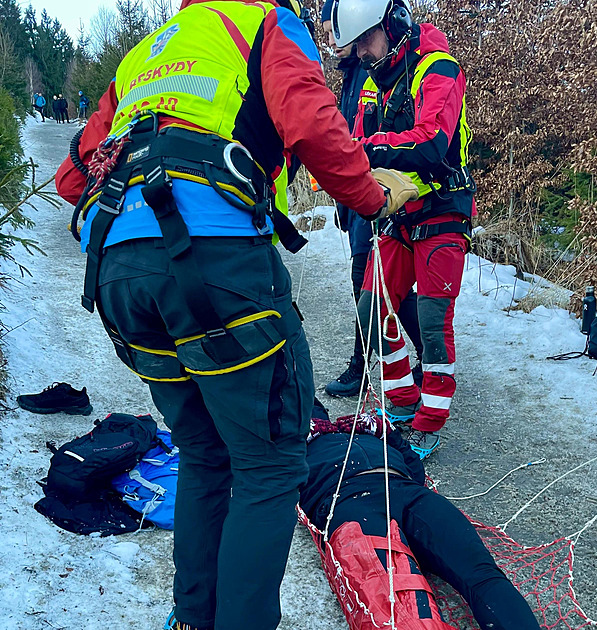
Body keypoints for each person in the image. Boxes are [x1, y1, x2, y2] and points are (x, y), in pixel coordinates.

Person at [55, 0, 417, 628]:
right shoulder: (262, 22)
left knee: (202, 451)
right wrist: (373, 194)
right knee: (270, 462)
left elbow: (71, 178)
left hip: (118, 272)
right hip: (211, 260)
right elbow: (311, 121)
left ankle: (192, 619)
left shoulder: (148, 51)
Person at [332, 0, 476, 458]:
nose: (360, 56)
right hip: (399, 214)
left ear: (391, 25)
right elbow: (358, 140)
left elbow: (432, 142)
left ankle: (430, 421)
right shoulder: (376, 81)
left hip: (441, 211)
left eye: (363, 43)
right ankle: (401, 405)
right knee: (372, 308)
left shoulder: (438, 68)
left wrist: (365, 150)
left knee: (432, 322)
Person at [300, 403, 541, 630]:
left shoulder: (363, 431)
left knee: (481, 574)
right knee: (396, 606)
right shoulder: (289, 450)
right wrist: (289, 444)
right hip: (349, 502)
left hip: (409, 492)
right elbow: (277, 492)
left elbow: (416, 472)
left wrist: (388, 433)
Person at [320, 0, 423, 398]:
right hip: (356, 195)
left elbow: (368, 139)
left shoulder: (374, 71)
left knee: (371, 282)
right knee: (368, 281)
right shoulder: (350, 76)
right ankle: (402, 359)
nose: (333, 40)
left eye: (334, 31)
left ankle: (371, 365)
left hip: (376, 192)